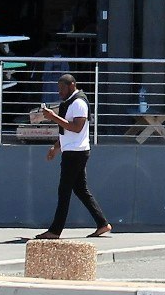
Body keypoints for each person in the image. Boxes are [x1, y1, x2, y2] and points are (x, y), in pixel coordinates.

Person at [33, 73, 110, 239]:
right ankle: (102, 223)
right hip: (74, 151)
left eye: (62, 88)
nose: (59, 92)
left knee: (64, 191)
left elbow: (76, 128)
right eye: (58, 89)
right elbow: (67, 132)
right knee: (80, 189)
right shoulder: (70, 102)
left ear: (72, 85)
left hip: (76, 153)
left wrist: (53, 117)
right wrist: (55, 148)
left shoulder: (78, 103)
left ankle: (55, 230)